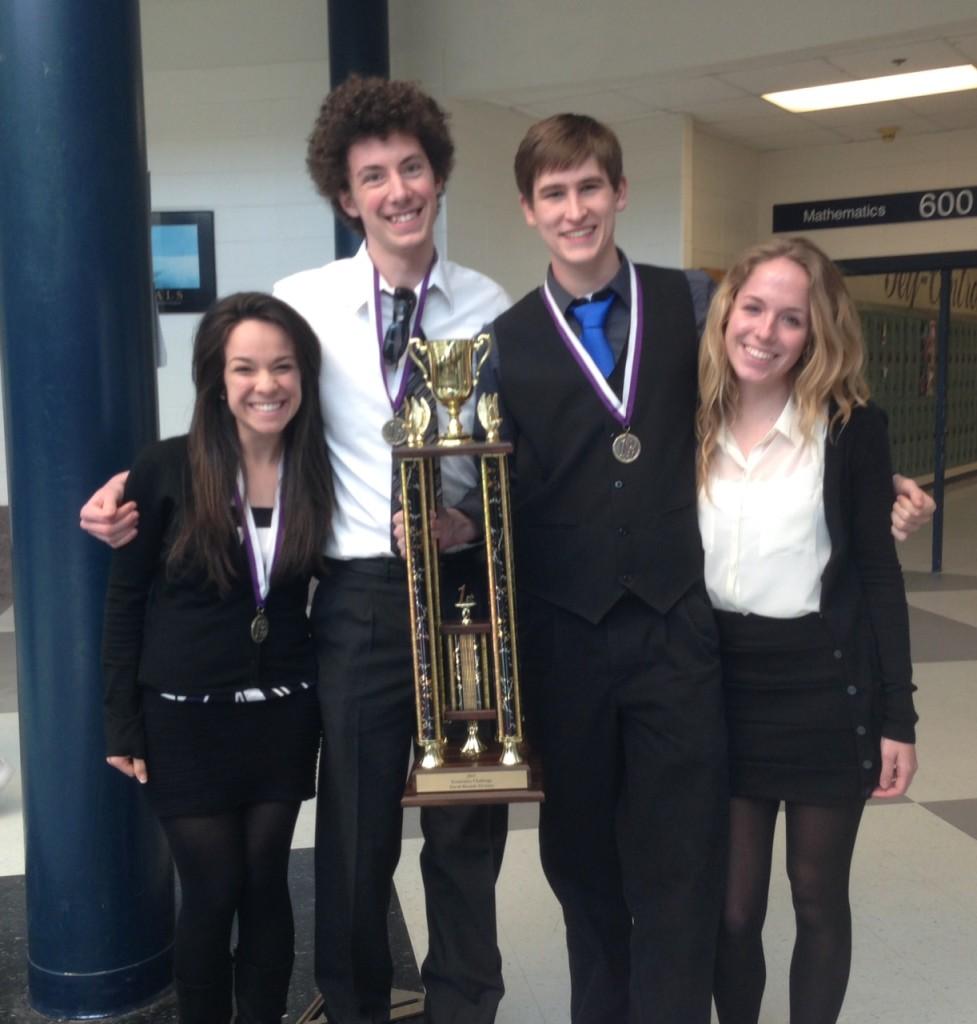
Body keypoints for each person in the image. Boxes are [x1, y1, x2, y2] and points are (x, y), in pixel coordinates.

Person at [455, 114, 934, 1024]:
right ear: (526, 209)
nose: (574, 208)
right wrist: (444, 527)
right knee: (581, 858)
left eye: (590, 186)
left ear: (620, 192)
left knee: (684, 863)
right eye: (553, 193)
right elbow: (497, 491)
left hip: (681, 634)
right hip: (567, 639)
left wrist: (873, 488)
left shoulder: (690, 304)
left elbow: (776, 386)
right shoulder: (499, 345)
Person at [86, 76, 511, 1024]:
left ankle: (464, 1006)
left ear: (438, 177)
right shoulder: (304, 304)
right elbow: (246, 420)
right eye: (373, 176)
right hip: (356, 601)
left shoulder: (489, 307)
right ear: (345, 194)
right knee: (357, 837)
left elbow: (513, 465)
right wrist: (134, 499)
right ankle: (353, 1003)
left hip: (463, 595)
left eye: (411, 168)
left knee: (468, 825)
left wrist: (469, 526)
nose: (396, 190)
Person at [697, 238, 918, 1024]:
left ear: (816, 332)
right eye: (752, 307)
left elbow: (875, 574)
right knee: (730, 910)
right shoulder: (687, 420)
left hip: (826, 685)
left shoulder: (853, 428)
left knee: (817, 897)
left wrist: (899, 717)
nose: (765, 331)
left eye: (791, 318)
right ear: (726, 312)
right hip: (718, 687)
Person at [102, 292, 332, 1024]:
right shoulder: (165, 468)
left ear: (304, 375)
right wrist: (120, 724)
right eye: (245, 368)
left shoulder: (321, 471)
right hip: (183, 720)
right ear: (216, 380)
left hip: (284, 717)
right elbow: (124, 600)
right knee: (211, 886)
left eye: (282, 366)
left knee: (267, 880)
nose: (266, 384)